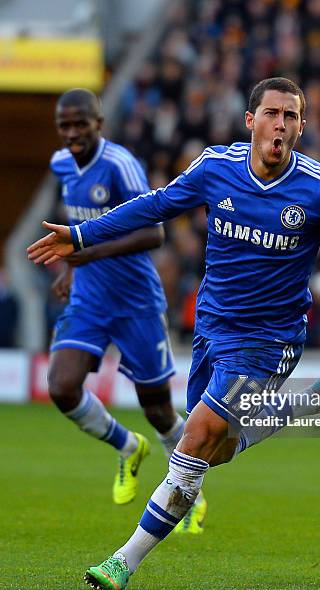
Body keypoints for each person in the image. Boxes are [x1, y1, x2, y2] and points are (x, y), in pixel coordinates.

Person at [28, 78, 320, 590]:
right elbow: (155, 206)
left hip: (269, 341)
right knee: (216, 448)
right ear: (250, 120)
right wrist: (80, 234)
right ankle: (311, 403)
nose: (282, 124)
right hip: (214, 326)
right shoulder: (216, 168)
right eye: (273, 113)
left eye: (292, 117)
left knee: (196, 437)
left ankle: (124, 560)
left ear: (301, 127)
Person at [38, 88, 207, 532]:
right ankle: (127, 446)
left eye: (80, 123)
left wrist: (86, 254)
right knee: (61, 386)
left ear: (99, 123)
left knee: (158, 410)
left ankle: (189, 491)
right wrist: (73, 270)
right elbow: (77, 224)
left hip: (135, 301)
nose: (72, 132)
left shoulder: (120, 165)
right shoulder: (60, 164)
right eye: (65, 124)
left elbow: (154, 235)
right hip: (89, 298)